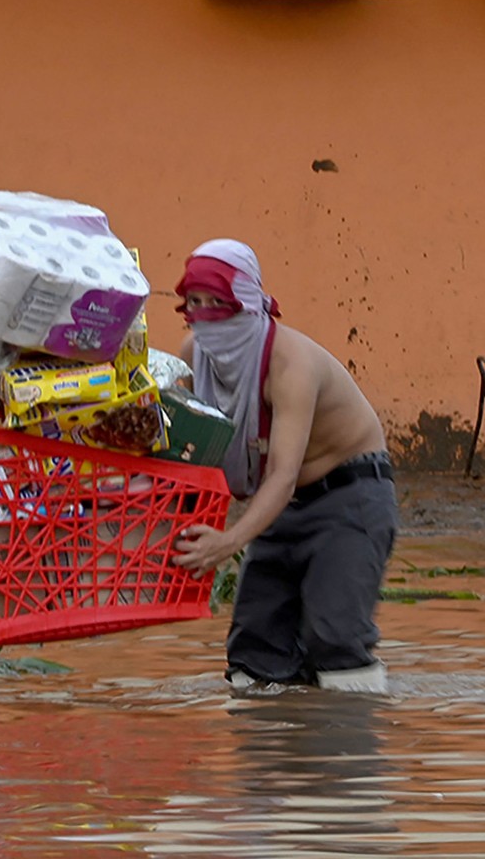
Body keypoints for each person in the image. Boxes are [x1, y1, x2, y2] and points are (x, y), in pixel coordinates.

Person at [171, 239, 397, 693]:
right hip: (281, 507)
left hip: (350, 497)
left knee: (335, 641)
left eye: (219, 302)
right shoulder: (193, 355)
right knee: (254, 649)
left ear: (248, 302)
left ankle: (353, 746)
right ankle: (269, 757)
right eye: (194, 302)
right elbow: (184, 448)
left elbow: (283, 472)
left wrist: (228, 542)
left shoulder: (291, 364)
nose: (206, 315)